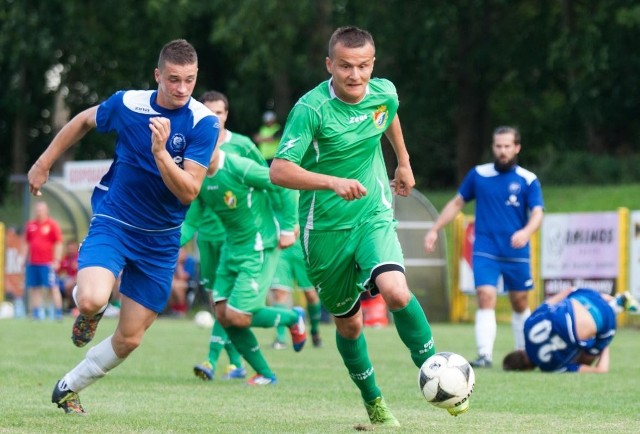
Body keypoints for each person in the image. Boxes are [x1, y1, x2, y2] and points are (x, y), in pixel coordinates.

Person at [27, 39, 218, 414]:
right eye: (174, 80)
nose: (181, 89)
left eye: (190, 81)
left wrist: (161, 154)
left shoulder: (203, 122)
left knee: (130, 338)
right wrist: (44, 162)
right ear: (157, 75)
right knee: (91, 298)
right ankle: (91, 313)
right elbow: (83, 120)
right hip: (115, 221)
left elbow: (189, 191)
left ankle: (68, 387)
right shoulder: (129, 104)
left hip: (161, 242)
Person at [270, 26, 437, 427]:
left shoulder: (384, 92)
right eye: (345, 66)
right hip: (323, 230)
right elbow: (279, 171)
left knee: (395, 291)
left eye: (363, 66)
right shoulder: (311, 109)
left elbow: (388, 117)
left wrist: (404, 161)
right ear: (330, 65)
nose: (355, 75)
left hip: (372, 214)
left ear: (373, 65)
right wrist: (331, 181)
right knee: (349, 322)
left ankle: (436, 369)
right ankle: (373, 400)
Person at [424, 126, 544, 369]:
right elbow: (457, 202)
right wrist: (435, 229)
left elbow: (538, 213)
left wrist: (526, 231)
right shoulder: (478, 175)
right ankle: (484, 356)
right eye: (498, 146)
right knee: (485, 296)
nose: (502, 151)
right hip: (486, 248)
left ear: (517, 148)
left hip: (516, 250)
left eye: (507, 146)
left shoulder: (528, 179)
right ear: (493, 147)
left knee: (520, 301)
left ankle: (524, 353)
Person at [188, 144, 306, 386]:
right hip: (231, 250)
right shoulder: (197, 178)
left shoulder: (238, 167)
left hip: (258, 247)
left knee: (238, 315)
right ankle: (265, 374)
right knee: (222, 314)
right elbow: (190, 221)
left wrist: (287, 226)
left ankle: (292, 318)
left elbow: (284, 183)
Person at [183, 90, 268, 381]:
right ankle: (235, 362)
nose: (214, 118)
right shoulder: (193, 146)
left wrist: (277, 223)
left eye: (219, 113)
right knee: (217, 301)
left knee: (229, 303)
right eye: (208, 113)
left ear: (226, 115)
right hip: (206, 236)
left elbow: (269, 177)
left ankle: (212, 359)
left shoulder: (242, 147)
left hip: (238, 238)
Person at [502, 287, 639, 373]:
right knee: (574, 298)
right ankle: (615, 302)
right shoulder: (528, 326)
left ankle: (612, 310)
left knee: (585, 357)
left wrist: (604, 343)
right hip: (583, 297)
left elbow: (601, 370)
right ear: (519, 350)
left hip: (604, 323)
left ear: (527, 370)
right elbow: (567, 291)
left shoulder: (551, 368)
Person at [270, 219, 323, 350]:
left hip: (302, 246)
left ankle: (315, 331)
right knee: (280, 293)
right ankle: (281, 338)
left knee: (311, 295)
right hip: (281, 246)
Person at [22, 201, 64, 321]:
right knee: (35, 288)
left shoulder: (52, 225)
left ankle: (58, 313)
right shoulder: (30, 225)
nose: (39, 212)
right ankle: (36, 314)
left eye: (41, 210)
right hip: (33, 262)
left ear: (46, 211)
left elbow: (58, 243)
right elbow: (27, 243)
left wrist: (56, 260)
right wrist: (23, 259)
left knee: (53, 287)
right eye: (37, 210)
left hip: (47, 263)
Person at [56, 239, 79, 315]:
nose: (71, 251)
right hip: (67, 281)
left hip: (78, 282)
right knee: (57, 286)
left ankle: (74, 308)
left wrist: (73, 280)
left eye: (72, 248)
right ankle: (59, 310)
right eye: (69, 249)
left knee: (70, 286)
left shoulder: (79, 258)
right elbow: (58, 271)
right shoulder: (65, 259)